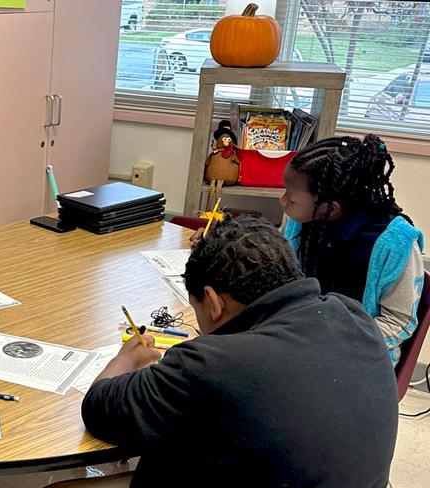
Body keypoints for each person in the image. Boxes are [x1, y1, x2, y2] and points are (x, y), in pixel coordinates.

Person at [82, 216, 398, 487]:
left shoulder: (210, 365)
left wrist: (127, 358)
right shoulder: (355, 317)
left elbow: (98, 408)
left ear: (213, 302)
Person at [280, 134, 424, 365]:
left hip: (359, 355)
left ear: (331, 208)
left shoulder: (394, 243)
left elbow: (398, 322)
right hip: (300, 336)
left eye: (291, 198)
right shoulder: (303, 219)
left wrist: (327, 337)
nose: (283, 201)